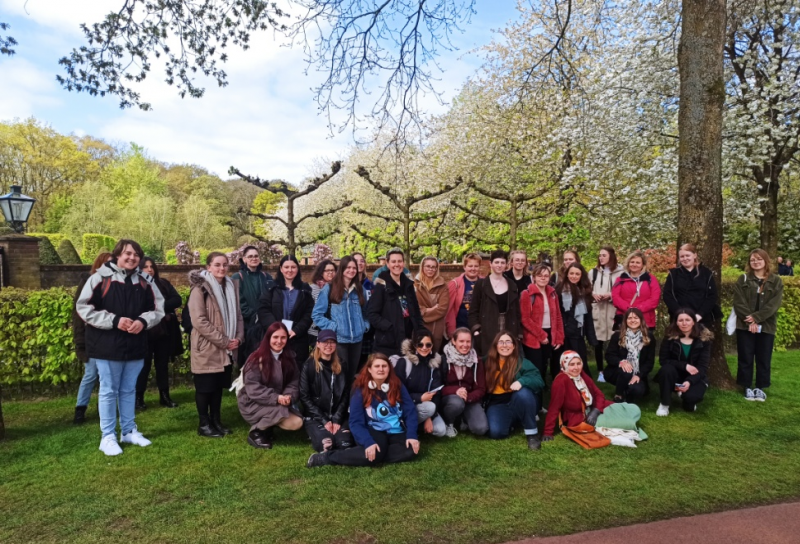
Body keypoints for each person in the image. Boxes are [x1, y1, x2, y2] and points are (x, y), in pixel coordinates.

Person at [76, 239, 165, 456]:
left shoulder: (145, 280)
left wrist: (143, 322)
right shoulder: (99, 278)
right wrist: (114, 320)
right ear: (117, 255)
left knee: (128, 389)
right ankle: (107, 436)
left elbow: (157, 308)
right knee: (108, 390)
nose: (132, 258)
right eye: (127, 253)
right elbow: (83, 307)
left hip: (135, 344)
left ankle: (128, 430)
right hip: (107, 345)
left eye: (136, 254)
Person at [306, 353, 420, 467]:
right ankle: (328, 457)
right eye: (377, 366)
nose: (381, 369)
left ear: (389, 369)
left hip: (396, 430)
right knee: (375, 450)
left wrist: (411, 435)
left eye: (384, 366)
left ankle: (372, 455)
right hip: (372, 430)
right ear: (370, 369)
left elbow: (410, 412)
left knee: (411, 449)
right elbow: (355, 422)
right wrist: (368, 442)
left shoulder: (397, 385)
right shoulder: (360, 389)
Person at [188, 252, 245, 438]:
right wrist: (224, 341)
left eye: (225, 265)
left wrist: (238, 337)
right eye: (217, 265)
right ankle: (204, 424)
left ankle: (216, 421)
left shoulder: (230, 287)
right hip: (207, 347)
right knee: (205, 388)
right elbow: (199, 321)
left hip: (226, 349)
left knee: (218, 388)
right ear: (208, 267)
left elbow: (238, 315)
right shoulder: (200, 289)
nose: (222, 268)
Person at [237, 322, 303, 448]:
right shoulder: (256, 359)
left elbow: (294, 382)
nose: (279, 341)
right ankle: (256, 432)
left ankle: (268, 428)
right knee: (287, 415)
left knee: (296, 422)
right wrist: (276, 398)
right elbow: (253, 388)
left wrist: (288, 396)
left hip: (279, 401)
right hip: (252, 403)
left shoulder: (290, 357)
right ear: (268, 338)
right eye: (275, 337)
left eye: (283, 337)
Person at [732, 249, 784, 402]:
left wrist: (756, 318)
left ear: (766, 261)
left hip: (766, 326)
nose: (755, 262)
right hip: (744, 325)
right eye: (752, 259)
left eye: (759, 259)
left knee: (763, 357)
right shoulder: (743, 279)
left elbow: (774, 304)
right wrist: (750, 320)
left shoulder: (776, 281)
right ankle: (747, 386)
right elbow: (738, 301)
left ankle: (760, 387)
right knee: (745, 356)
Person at [312, 255, 370, 382]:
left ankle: (349, 401)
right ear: (341, 269)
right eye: (348, 267)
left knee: (352, 375)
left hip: (357, 340)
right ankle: (338, 401)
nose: (351, 270)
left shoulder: (360, 289)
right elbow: (316, 315)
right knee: (340, 375)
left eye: (354, 268)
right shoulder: (330, 288)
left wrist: (364, 325)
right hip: (339, 340)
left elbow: (366, 312)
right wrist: (334, 327)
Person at [483, 331, 544, 450]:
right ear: (496, 345)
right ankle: (517, 421)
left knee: (523, 394)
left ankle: (532, 434)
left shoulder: (522, 362)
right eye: (501, 342)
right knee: (496, 433)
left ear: (514, 346)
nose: (504, 345)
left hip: (517, 399)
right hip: (498, 403)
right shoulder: (487, 362)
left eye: (508, 342)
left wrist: (522, 381)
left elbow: (539, 381)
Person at [136, 257, 183, 410]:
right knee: (144, 366)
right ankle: (139, 398)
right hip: (145, 331)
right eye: (145, 267)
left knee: (162, 365)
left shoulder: (163, 283)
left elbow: (177, 299)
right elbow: (137, 307)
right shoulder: (136, 285)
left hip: (163, 331)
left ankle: (165, 396)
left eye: (151, 266)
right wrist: (158, 310)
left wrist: (157, 309)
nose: (149, 269)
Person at [72, 251, 112, 425]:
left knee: (108, 375)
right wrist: (80, 340)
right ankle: (80, 409)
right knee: (91, 374)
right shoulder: (88, 282)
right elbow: (78, 312)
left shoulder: (116, 283)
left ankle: (104, 408)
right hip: (92, 336)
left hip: (110, 336)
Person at [299, 330, 353, 452]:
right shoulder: (309, 366)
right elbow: (304, 397)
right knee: (326, 445)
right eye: (325, 342)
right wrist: (324, 420)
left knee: (345, 444)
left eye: (332, 342)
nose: (328, 345)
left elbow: (345, 393)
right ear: (318, 344)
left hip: (337, 414)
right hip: (316, 416)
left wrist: (337, 419)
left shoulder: (342, 364)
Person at [257, 254, 315, 365]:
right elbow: (263, 310)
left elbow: (309, 313)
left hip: (297, 339)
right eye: (286, 267)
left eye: (293, 267)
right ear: (281, 269)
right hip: (274, 338)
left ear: (297, 269)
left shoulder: (305, 289)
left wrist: (297, 330)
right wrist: (276, 330)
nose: (290, 270)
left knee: (295, 372)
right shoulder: (271, 287)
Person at [543, 351, 613, 442]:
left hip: (594, 408)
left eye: (578, 363)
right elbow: (554, 407)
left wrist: (596, 411)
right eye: (572, 364)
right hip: (581, 419)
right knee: (624, 420)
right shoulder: (561, 381)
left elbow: (598, 393)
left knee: (631, 408)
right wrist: (547, 432)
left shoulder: (581, 374)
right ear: (564, 365)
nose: (576, 367)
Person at [366, 248, 423, 356]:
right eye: (393, 261)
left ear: (403, 263)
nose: (397, 264)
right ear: (387, 263)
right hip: (388, 342)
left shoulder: (409, 285)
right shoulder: (381, 286)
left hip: (409, 339)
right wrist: (389, 327)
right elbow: (372, 314)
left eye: (399, 261)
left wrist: (419, 329)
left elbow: (416, 311)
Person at [655, 309, 712, 416]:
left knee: (690, 404)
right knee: (666, 369)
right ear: (676, 322)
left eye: (687, 320)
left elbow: (703, 367)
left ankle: (684, 394)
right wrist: (684, 366)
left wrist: (689, 381)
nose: (684, 323)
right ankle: (664, 404)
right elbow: (663, 360)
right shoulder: (669, 337)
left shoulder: (704, 339)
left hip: (695, 376)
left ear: (694, 321)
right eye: (680, 320)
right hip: (674, 375)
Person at [391, 330, 446, 437]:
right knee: (429, 408)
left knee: (440, 430)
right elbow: (397, 392)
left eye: (428, 344)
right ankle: (405, 427)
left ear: (432, 346)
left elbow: (437, 392)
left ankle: (416, 426)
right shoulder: (404, 362)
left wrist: (429, 417)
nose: (424, 347)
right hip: (405, 405)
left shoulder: (434, 364)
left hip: (426, 405)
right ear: (414, 345)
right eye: (420, 344)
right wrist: (419, 398)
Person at [469, 249, 521, 356]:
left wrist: (518, 334)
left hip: (508, 329)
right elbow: (473, 310)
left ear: (506, 265)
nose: (499, 265)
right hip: (487, 330)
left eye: (502, 263)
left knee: (507, 363)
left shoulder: (512, 285)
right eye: (496, 262)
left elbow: (516, 312)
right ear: (490, 264)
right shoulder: (481, 284)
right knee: (489, 362)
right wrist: (476, 331)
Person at [520, 263, 564, 389]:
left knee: (544, 367)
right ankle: (535, 402)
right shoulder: (527, 294)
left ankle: (542, 398)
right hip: (533, 337)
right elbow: (525, 319)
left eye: (546, 276)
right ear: (534, 277)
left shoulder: (552, 293)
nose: (543, 278)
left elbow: (558, 317)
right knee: (536, 369)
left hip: (550, 333)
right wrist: (541, 335)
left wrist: (559, 337)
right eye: (540, 276)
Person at [440, 328, 488, 437]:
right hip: (450, 398)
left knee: (481, 428)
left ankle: (463, 418)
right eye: (461, 341)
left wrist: (468, 396)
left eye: (468, 341)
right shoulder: (443, 359)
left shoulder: (476, 360)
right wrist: (456, 390)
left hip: (470, 398)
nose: (465, 345)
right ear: (453, 341)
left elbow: (481, 388)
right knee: (457, 403)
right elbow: (438, 387)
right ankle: (449, 423)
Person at [230, 245, 274, 362]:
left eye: (256, 256)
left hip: (264, 326)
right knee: (247, 360)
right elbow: (238, 301)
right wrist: (254, 315)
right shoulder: (237, 277)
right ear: (244, 259)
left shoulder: (266, 277)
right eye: (250, 256)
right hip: (246, 326)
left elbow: (273, 298)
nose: (253, 258)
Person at [555, 263, 598, 378]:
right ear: (567, 275)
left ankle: (583, 389)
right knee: (564, 364)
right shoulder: (559, 290)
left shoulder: (585, 291)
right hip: (564, 334)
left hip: (578, 334)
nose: (574, 276)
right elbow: (556, 314)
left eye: (577, 274)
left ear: (581, 276)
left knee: (580, 363)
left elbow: (588, 317)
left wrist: (592, 339)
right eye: (571, 273)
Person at [604, 308, 656, 403]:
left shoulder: (649, 337)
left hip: (638, 372)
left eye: (636, 318)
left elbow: (649, 362)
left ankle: (627, 390)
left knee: (637, 390)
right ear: (625, 321)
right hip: (618, 371)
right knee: (627, 370)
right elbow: (609, 356)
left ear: (641, 320)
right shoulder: (617, 336)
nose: (633, 320)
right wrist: (621, 362)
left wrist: (639, 375)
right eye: (630, 318)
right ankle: (618, 395)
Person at [663, 243, 721, 325]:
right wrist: (681, 314)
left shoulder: (706, 273)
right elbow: (668, 295)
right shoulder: (673, 274)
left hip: (702, 319)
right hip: (679, 320)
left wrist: (700, 314)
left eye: (687, 255)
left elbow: (712, 296)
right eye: (682, 256)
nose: (685, 258)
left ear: (694, 255)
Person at [590, 246, 624, 382]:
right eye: (599, 255)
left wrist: (610, 295)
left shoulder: (621, 273)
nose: (601, 258)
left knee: (615, 340)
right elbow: (586, 287)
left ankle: (614, 368)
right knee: (598, 342)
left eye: (604, 255)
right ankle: (600, 371)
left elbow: (623, 290)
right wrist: (593, 294)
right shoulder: (593, 272)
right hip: (597, 310)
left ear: (611, 256)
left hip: (613, 310)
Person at [612, 251, 662, 331]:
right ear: (628, 263)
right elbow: (615, 297)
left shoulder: (651, 279)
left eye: (638, 262)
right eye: (632, 262)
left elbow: (655, 298)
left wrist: (638, 309)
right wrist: (629, 309)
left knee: (645, 342)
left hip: (645, 320)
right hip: (625, 318)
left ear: (643, 265)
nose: (634, 264)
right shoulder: (620, 279)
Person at [414, 256, 450, 353]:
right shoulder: (414, 284)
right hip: (419, 325)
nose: (431, 269)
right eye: (428, 266)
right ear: (422, 267)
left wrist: (423, 312)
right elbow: (414, 308)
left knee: (433, 355)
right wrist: (429, 309)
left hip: (436, 327)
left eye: (433, 267)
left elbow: (442, 308)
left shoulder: (442, 285)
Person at [445, 252, 483, 339]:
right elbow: (449, 310)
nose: (473, 269)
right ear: (464, 267)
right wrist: (451, 331)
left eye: (476, 266)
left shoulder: (486, 283)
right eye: (470, 266)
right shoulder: (454, 284)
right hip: (460, 327)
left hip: (480, 328)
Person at [352, 251, 375, 372]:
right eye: (356, 261)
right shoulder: (347, 285)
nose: (360, 263)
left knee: (362, 367)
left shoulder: (370, 285)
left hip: (366, 333)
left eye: (362, 261)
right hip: (351, 332)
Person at [308, 259, 337, 343]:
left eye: (332, 270)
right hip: (317, 330)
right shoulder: (314, 288)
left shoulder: (339, 288)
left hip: (334, 329)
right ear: (321, 272)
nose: (330, 272)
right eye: (327, 270)